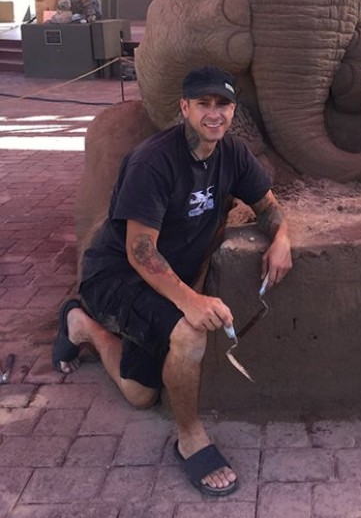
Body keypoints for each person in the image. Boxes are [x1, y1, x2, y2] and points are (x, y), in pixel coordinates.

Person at [52, 65, 292, 495]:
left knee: (140, 395)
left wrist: (282, 239)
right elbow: (139, 251)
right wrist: (191, 301)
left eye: (223, 104)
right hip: (116, 276)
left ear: (233, 110)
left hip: (161, 280)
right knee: (190, 332)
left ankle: (81, 326)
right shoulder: (153, 161)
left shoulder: (232, 154)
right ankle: (191, 438)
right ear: (184, 107)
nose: (214, 114)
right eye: (203, 104)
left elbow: (268, 207)